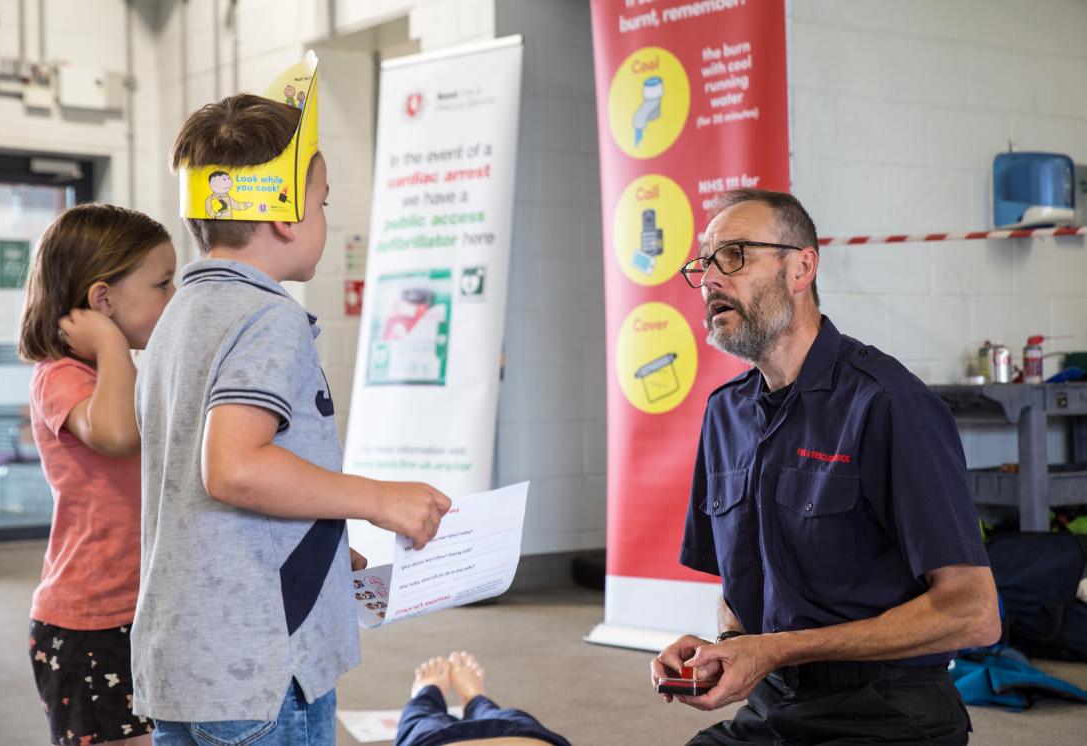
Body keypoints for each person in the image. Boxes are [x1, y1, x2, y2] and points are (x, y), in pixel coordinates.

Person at [134, 90, 451, 744]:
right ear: (284, 215)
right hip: (263, 670)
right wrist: (378, 499)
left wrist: (325, 540)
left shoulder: (179, 317)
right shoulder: (268, 315)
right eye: (324, 202)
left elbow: (207, 485)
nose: (324, 218)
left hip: (187, 661)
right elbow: (235, 467)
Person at [650, 188, 1002, 745]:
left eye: (735, 255)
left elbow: (973, 613)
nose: (711, 279)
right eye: (704, 264)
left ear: (801, 267)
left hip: (886, 709)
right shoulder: (726, 413)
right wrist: (724, 647)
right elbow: (740, 591)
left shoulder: (889, 404)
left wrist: (774, 649)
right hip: (773, 707)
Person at [19, 204, 177, 745]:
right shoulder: (60, 376)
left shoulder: (124, 372)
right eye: (162, 284)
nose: (173, 296)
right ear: (102, 300)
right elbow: (115, 436)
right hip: (87, 621)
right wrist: (111, 343)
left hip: (141, 606)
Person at [396, 652, 571, 746]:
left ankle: (431, 694)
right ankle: (473, 698)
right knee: (502, 715)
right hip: (522, 736)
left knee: (422, 718)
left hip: (434, 740)